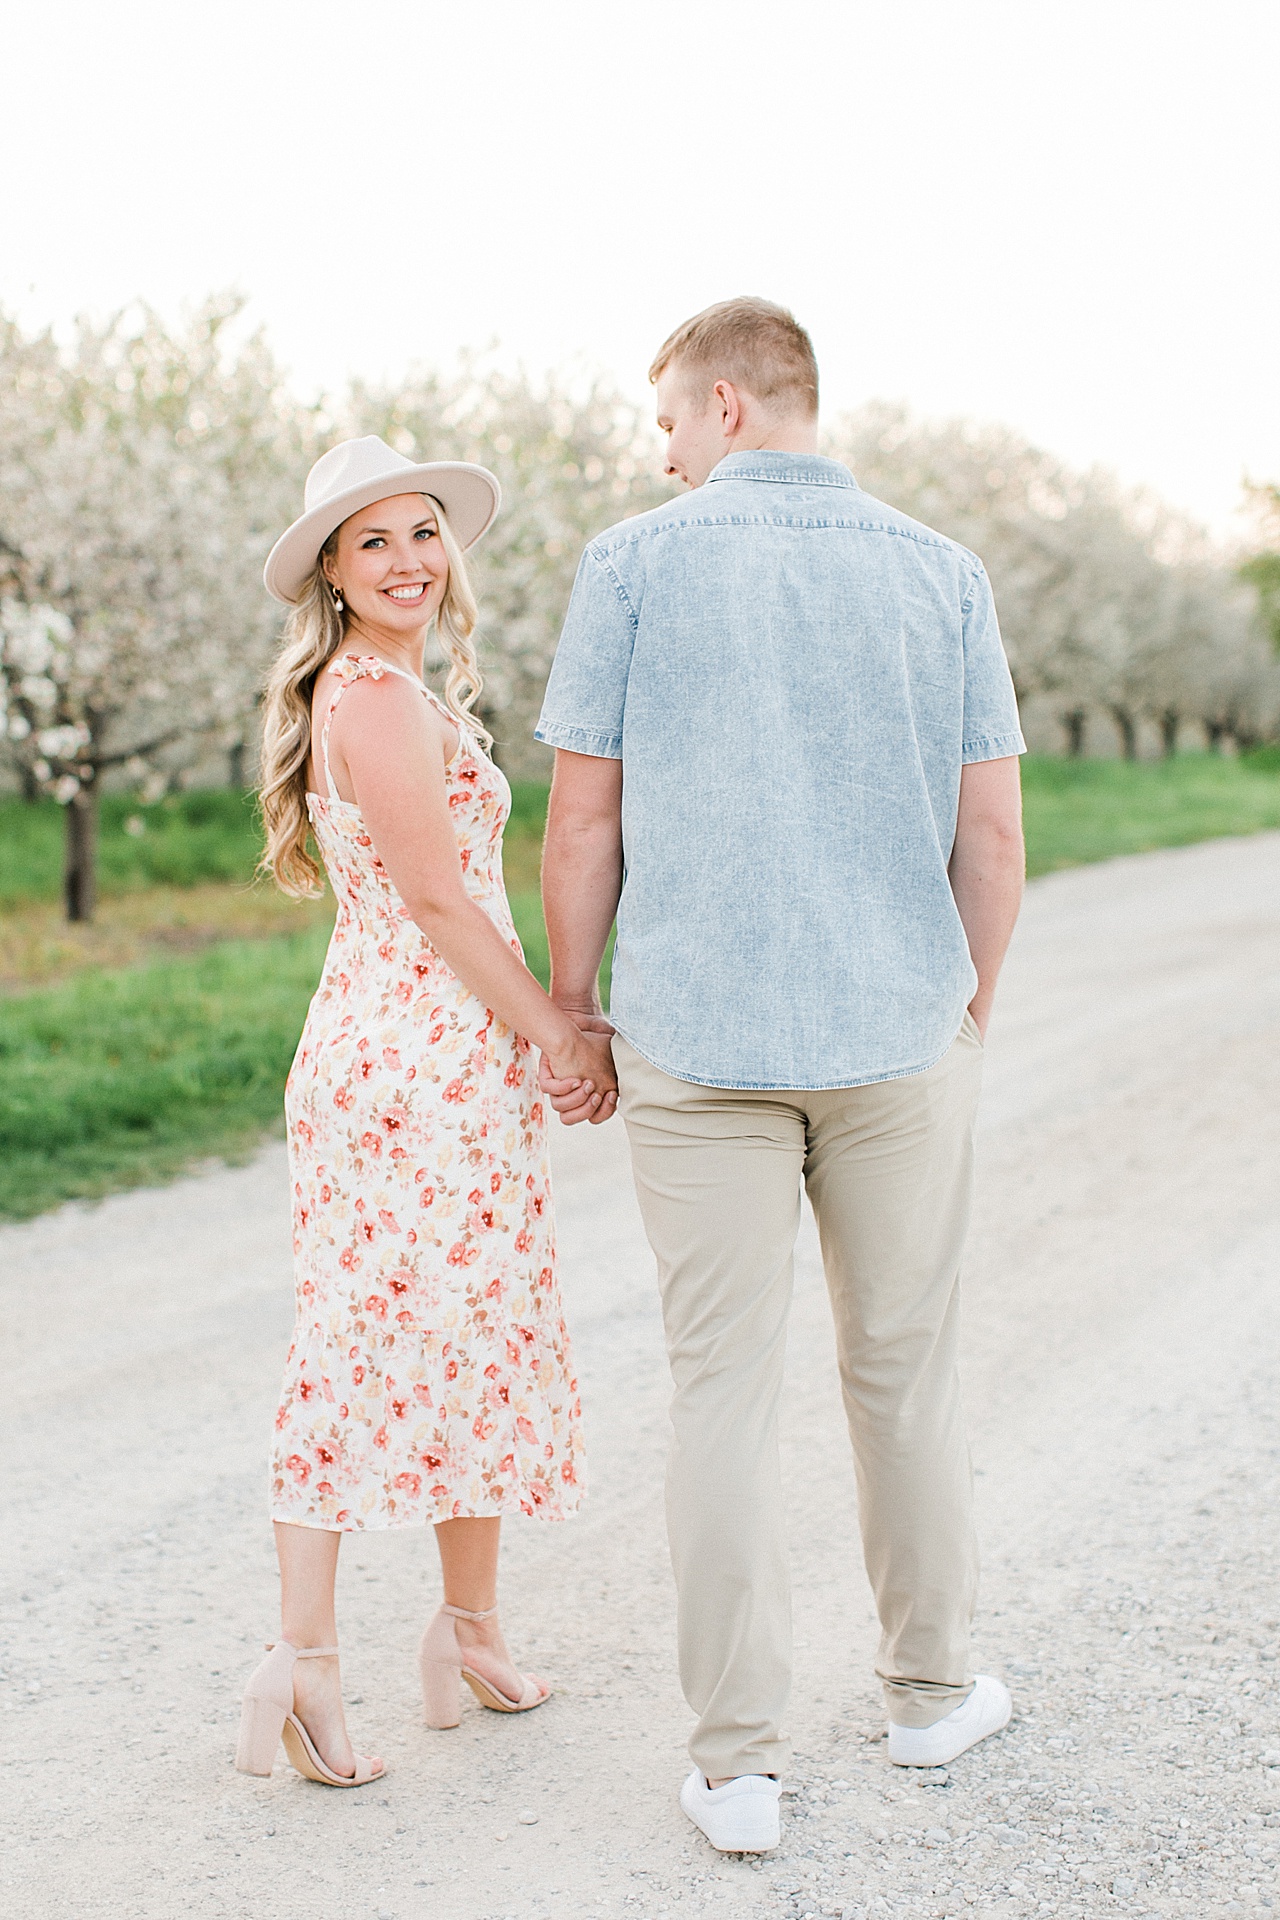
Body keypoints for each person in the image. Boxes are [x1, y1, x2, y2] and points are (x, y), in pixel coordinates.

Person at [536, 299, 1026, 1852]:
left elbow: (580, 827)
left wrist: (571, 1001)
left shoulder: (630, 566)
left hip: (697, 1041)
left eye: (670, 420)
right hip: (897, 1036)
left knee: (720, 1397)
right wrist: (968, 1007)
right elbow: (992, 835)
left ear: (731, 406)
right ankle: (932, 1698)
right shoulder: (943, 576)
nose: (662, 451)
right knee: (905, 1375)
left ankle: (737, 1765)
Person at [237, 435, 615, 1789]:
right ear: (333, 575)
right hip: (409, 1073)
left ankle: (469, 1633)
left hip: (445, 1066)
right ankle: (307, 1668)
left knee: (477, 1335)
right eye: (373, 542)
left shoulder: (399, 689)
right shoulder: (374, 700)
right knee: (360, 1346)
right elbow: (440, 904)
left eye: (421, 534)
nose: (407, 561)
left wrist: (522, 1045)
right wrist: (557, 1031)